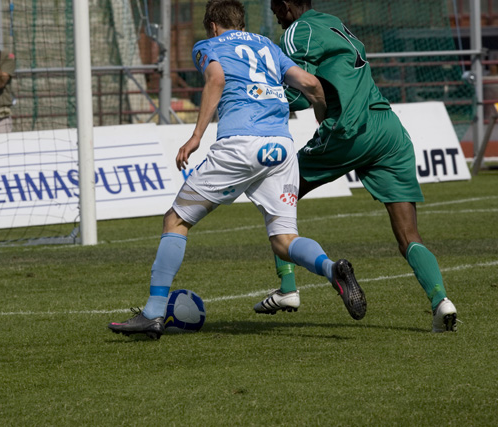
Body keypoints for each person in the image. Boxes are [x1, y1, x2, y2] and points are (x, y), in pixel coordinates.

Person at [109, 0, 366, 340]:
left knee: (176, 219)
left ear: (213, 26)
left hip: (240, 145)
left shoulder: (209, 46)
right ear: (241, 23)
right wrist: (320, 116)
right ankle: (332, 269)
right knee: (284, 240)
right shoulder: (267, 45)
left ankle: (154, 313)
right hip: (280, 148)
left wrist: (196, 135)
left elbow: (215, 78)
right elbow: (311, 84)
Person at [258, 0, 457, 332]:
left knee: (276, 192)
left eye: (276, 4)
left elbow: (300, 92)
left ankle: (288, 289)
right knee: (408, 234)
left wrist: (256, 93)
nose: (274, 11)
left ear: (289, 2)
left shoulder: (297, 31)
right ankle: (441, 301)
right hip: (388, 129)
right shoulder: (332, 21)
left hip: (348, 132)